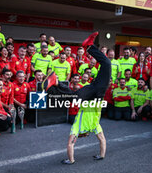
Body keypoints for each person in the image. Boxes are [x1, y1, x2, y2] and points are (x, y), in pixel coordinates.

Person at [41, 32, 110, 164]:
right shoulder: (95, 126)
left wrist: (71, 160)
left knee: (73, 96)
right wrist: (101, 155)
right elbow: (102, 139)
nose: (86, 135)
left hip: (94, 92)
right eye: (86, 135)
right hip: (98, 91)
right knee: (106, 64)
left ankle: (56, 82)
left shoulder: (79, 126)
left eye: (85, 135)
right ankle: (89, 46)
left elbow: (71, 143)